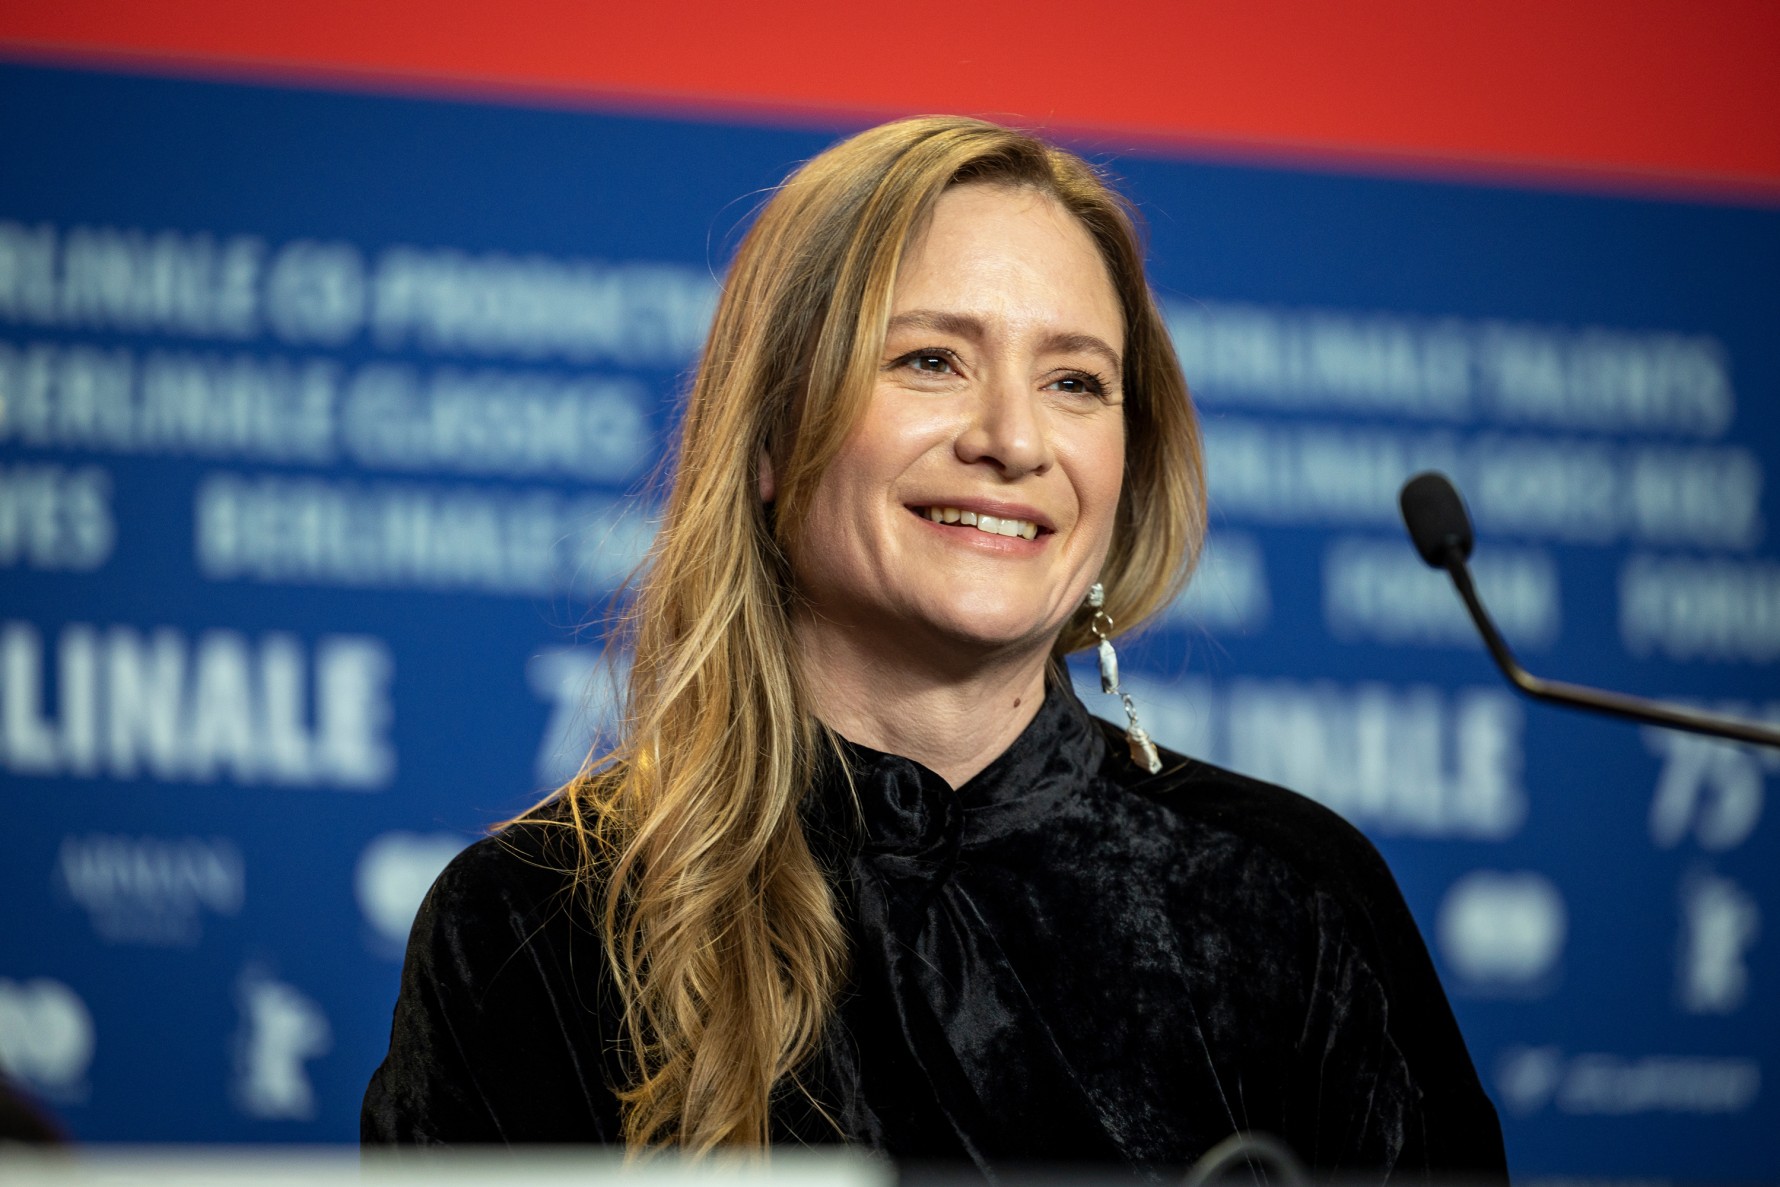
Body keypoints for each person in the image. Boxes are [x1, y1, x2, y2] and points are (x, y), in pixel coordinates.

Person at [362, 115, 1508, 1178]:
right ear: (769, 438)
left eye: (1074, 381)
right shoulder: (531, 923)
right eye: (929, 360)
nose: (1013, 439)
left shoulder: (1290, 894)